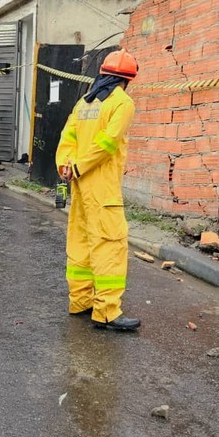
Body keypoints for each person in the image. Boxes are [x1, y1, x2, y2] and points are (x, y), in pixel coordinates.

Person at [55, 49, 141, 331]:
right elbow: (108, 143)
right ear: (127, 79)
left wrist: (66, 165)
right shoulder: (122, 103)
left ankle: (80, 301)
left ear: (103, 73)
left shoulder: (84, 102)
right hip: (102, 187)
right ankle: (106, 312)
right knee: (109, 245)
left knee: (80, 242)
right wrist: (79, 166)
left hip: (79, 188)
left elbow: (68, 136)